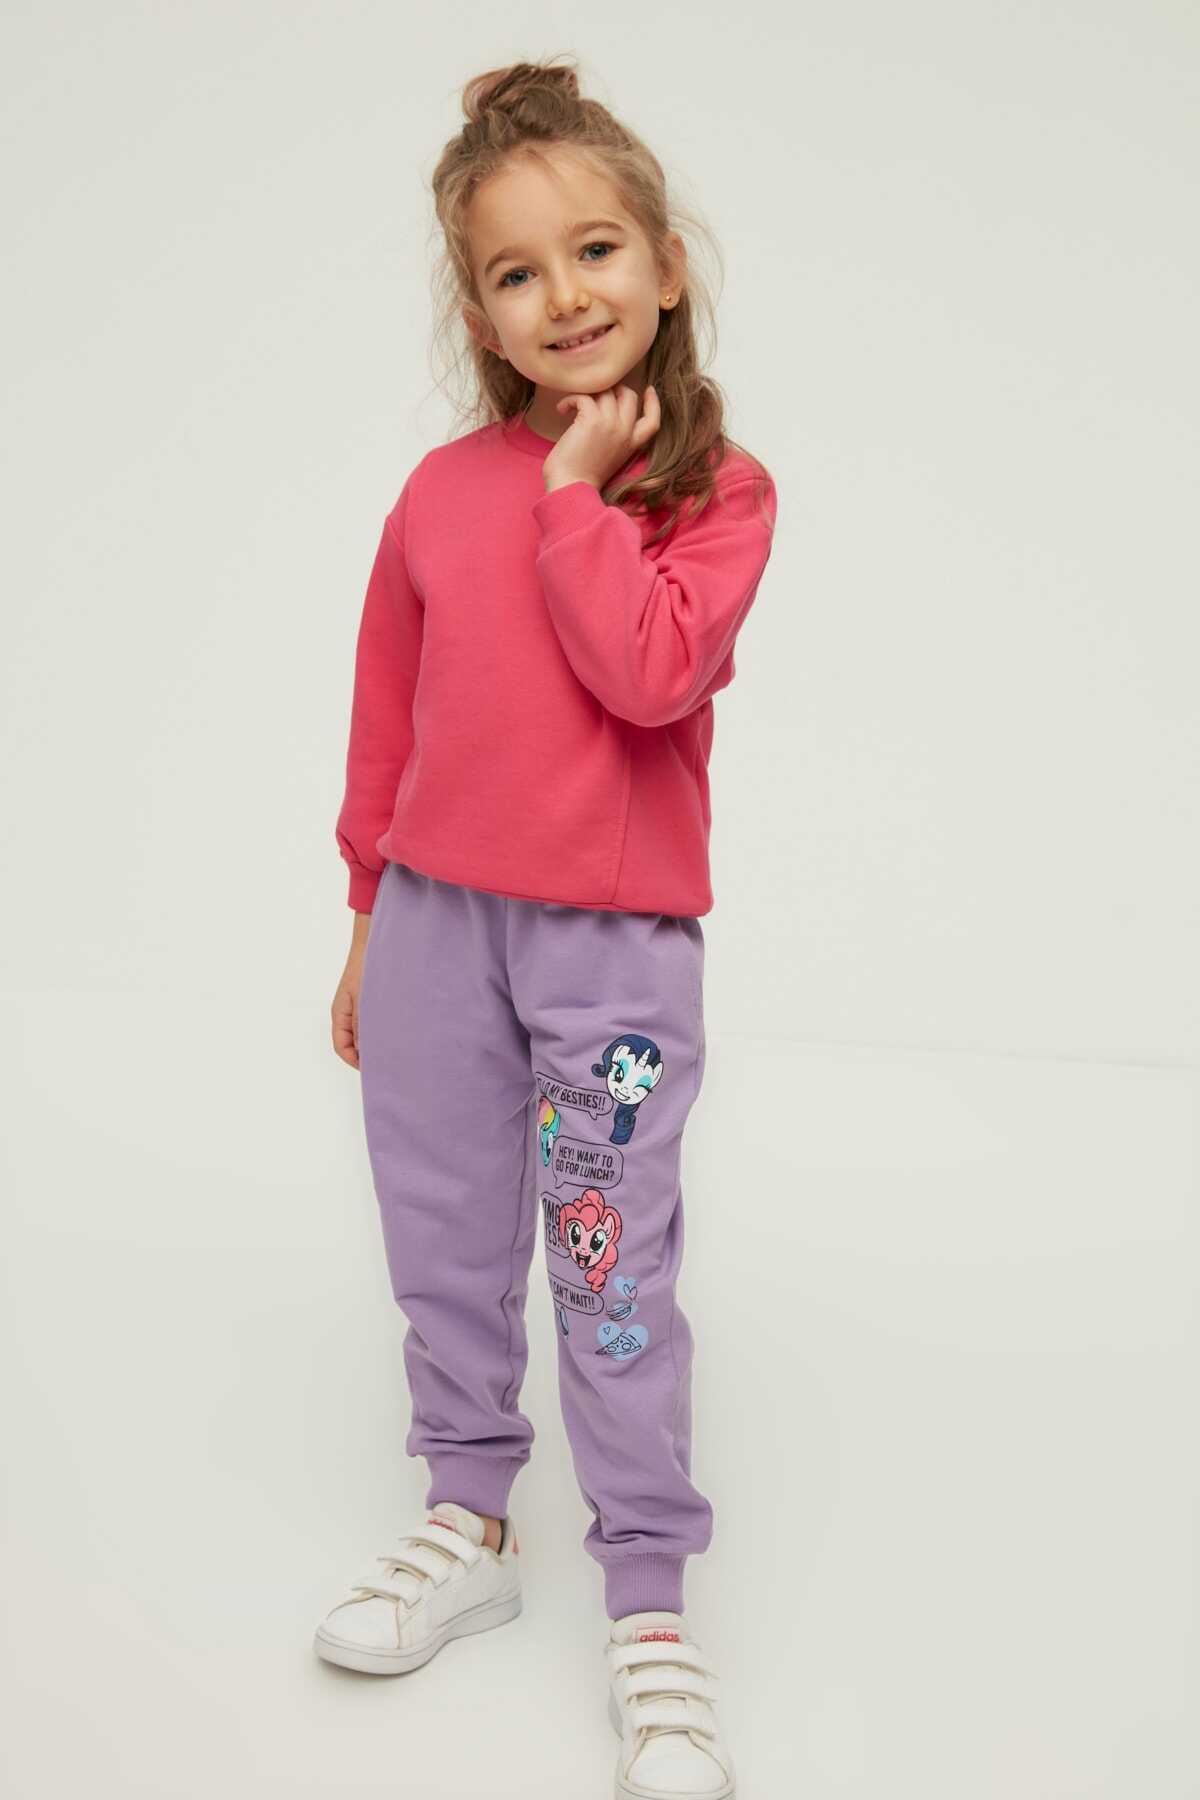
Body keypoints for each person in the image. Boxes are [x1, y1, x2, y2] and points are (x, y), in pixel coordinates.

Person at [312, 56, 777, 1800]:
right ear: (480, 315)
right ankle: (470, 1517)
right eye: (517, 272)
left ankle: (647, 1596)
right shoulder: (438, 493)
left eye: (594, 250)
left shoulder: (712, 495)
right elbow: (389, 716)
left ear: (664, 262)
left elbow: (649, 673)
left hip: (611, 957)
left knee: (605, 1262)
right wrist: (368, 914)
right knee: (441, 1233)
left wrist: (579, 494)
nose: (564, 295)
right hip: (437, 927)